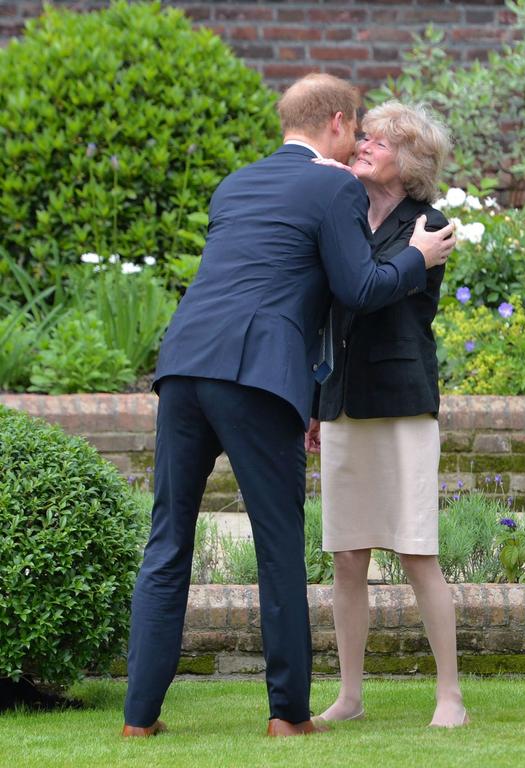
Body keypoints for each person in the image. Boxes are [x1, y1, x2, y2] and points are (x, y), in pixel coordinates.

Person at [122, 75, 456, 738]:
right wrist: (416, 258)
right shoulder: (332, 184)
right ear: (335, 121)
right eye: (355, 127)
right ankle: (288, 717)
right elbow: (359, 287)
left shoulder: (236, 183)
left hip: (183, 366)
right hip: (255, 377)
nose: (357, 141)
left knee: (166, 544)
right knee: (278, 548)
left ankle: (139, 719)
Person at [305, 101, 468, 729]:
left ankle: (449, 695)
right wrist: (321, 403)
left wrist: (410, 257)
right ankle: (349, 696)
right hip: (344, 403)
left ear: (412, 160)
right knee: (348, 555)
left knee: (417, 551)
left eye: (380, 140)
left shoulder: (432, 224)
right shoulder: (344, 214)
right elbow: (333, 314)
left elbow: (371, 292)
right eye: (364, 137)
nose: (364, 144)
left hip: (401, 405)